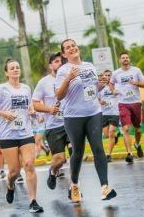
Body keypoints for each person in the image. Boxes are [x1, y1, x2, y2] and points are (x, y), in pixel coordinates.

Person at [55, 39, 116, 203]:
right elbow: (59, 96)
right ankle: (74, 184)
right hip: (73, 117)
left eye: (73, 45)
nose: (72, 48)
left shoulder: (89, 66)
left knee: (98, 147)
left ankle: (105, 187)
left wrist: (102, 84)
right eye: (67, 48)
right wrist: (68, 78)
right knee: (78, 152)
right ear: (64, 54)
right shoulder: (63, 70)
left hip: (93, 112)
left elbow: (93, 90)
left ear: (78, 48)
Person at [0, 58, 43, 213]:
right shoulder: (1, 89)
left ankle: (33, 201)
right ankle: (10, 185)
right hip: (7, 135)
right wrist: (4, 114)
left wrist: (32, 111)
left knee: (29, 164)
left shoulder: (26, 88)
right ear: (6, 72)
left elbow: (29, 106)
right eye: (12, 68)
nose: (16, 69)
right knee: (14, 172)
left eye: (17, 67)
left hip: (25, 131)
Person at [32, 52, 71, 190]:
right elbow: (35, 104)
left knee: (75, 153)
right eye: (55, 61)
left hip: (71, 123)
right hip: (53, 126)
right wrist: (49, 109)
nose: (59, 63)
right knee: (60, 159)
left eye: (61, 61)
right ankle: (53, 171)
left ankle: (75, 188)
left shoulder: (70, 78)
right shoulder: (43, 82)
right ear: (50, 65)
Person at [109, 52, 144, 163]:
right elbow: (111, 84)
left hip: (135, 102)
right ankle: (129, 153)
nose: (125, 59)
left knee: (137, 129)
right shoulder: (116, 73)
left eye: (126, 57)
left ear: (129, 59)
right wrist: (113, 90)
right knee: (126, 128)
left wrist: (136, 82)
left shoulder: (136, 70)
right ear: (120, 60)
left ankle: (137, 144)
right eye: (123, 58)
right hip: (123, 103)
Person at [98, 70, 119, 162]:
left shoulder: (115, 85)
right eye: (105, 75)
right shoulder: (100, 87)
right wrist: (100, 102)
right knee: (107, 135)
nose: (107, 77)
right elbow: (96, 99)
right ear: (103, 76)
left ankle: (108, 155)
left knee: (111, 132)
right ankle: (116, 137)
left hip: (114, 112)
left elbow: (117, 94)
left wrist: (113, 89)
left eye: (109, 75)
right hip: (104, 113)